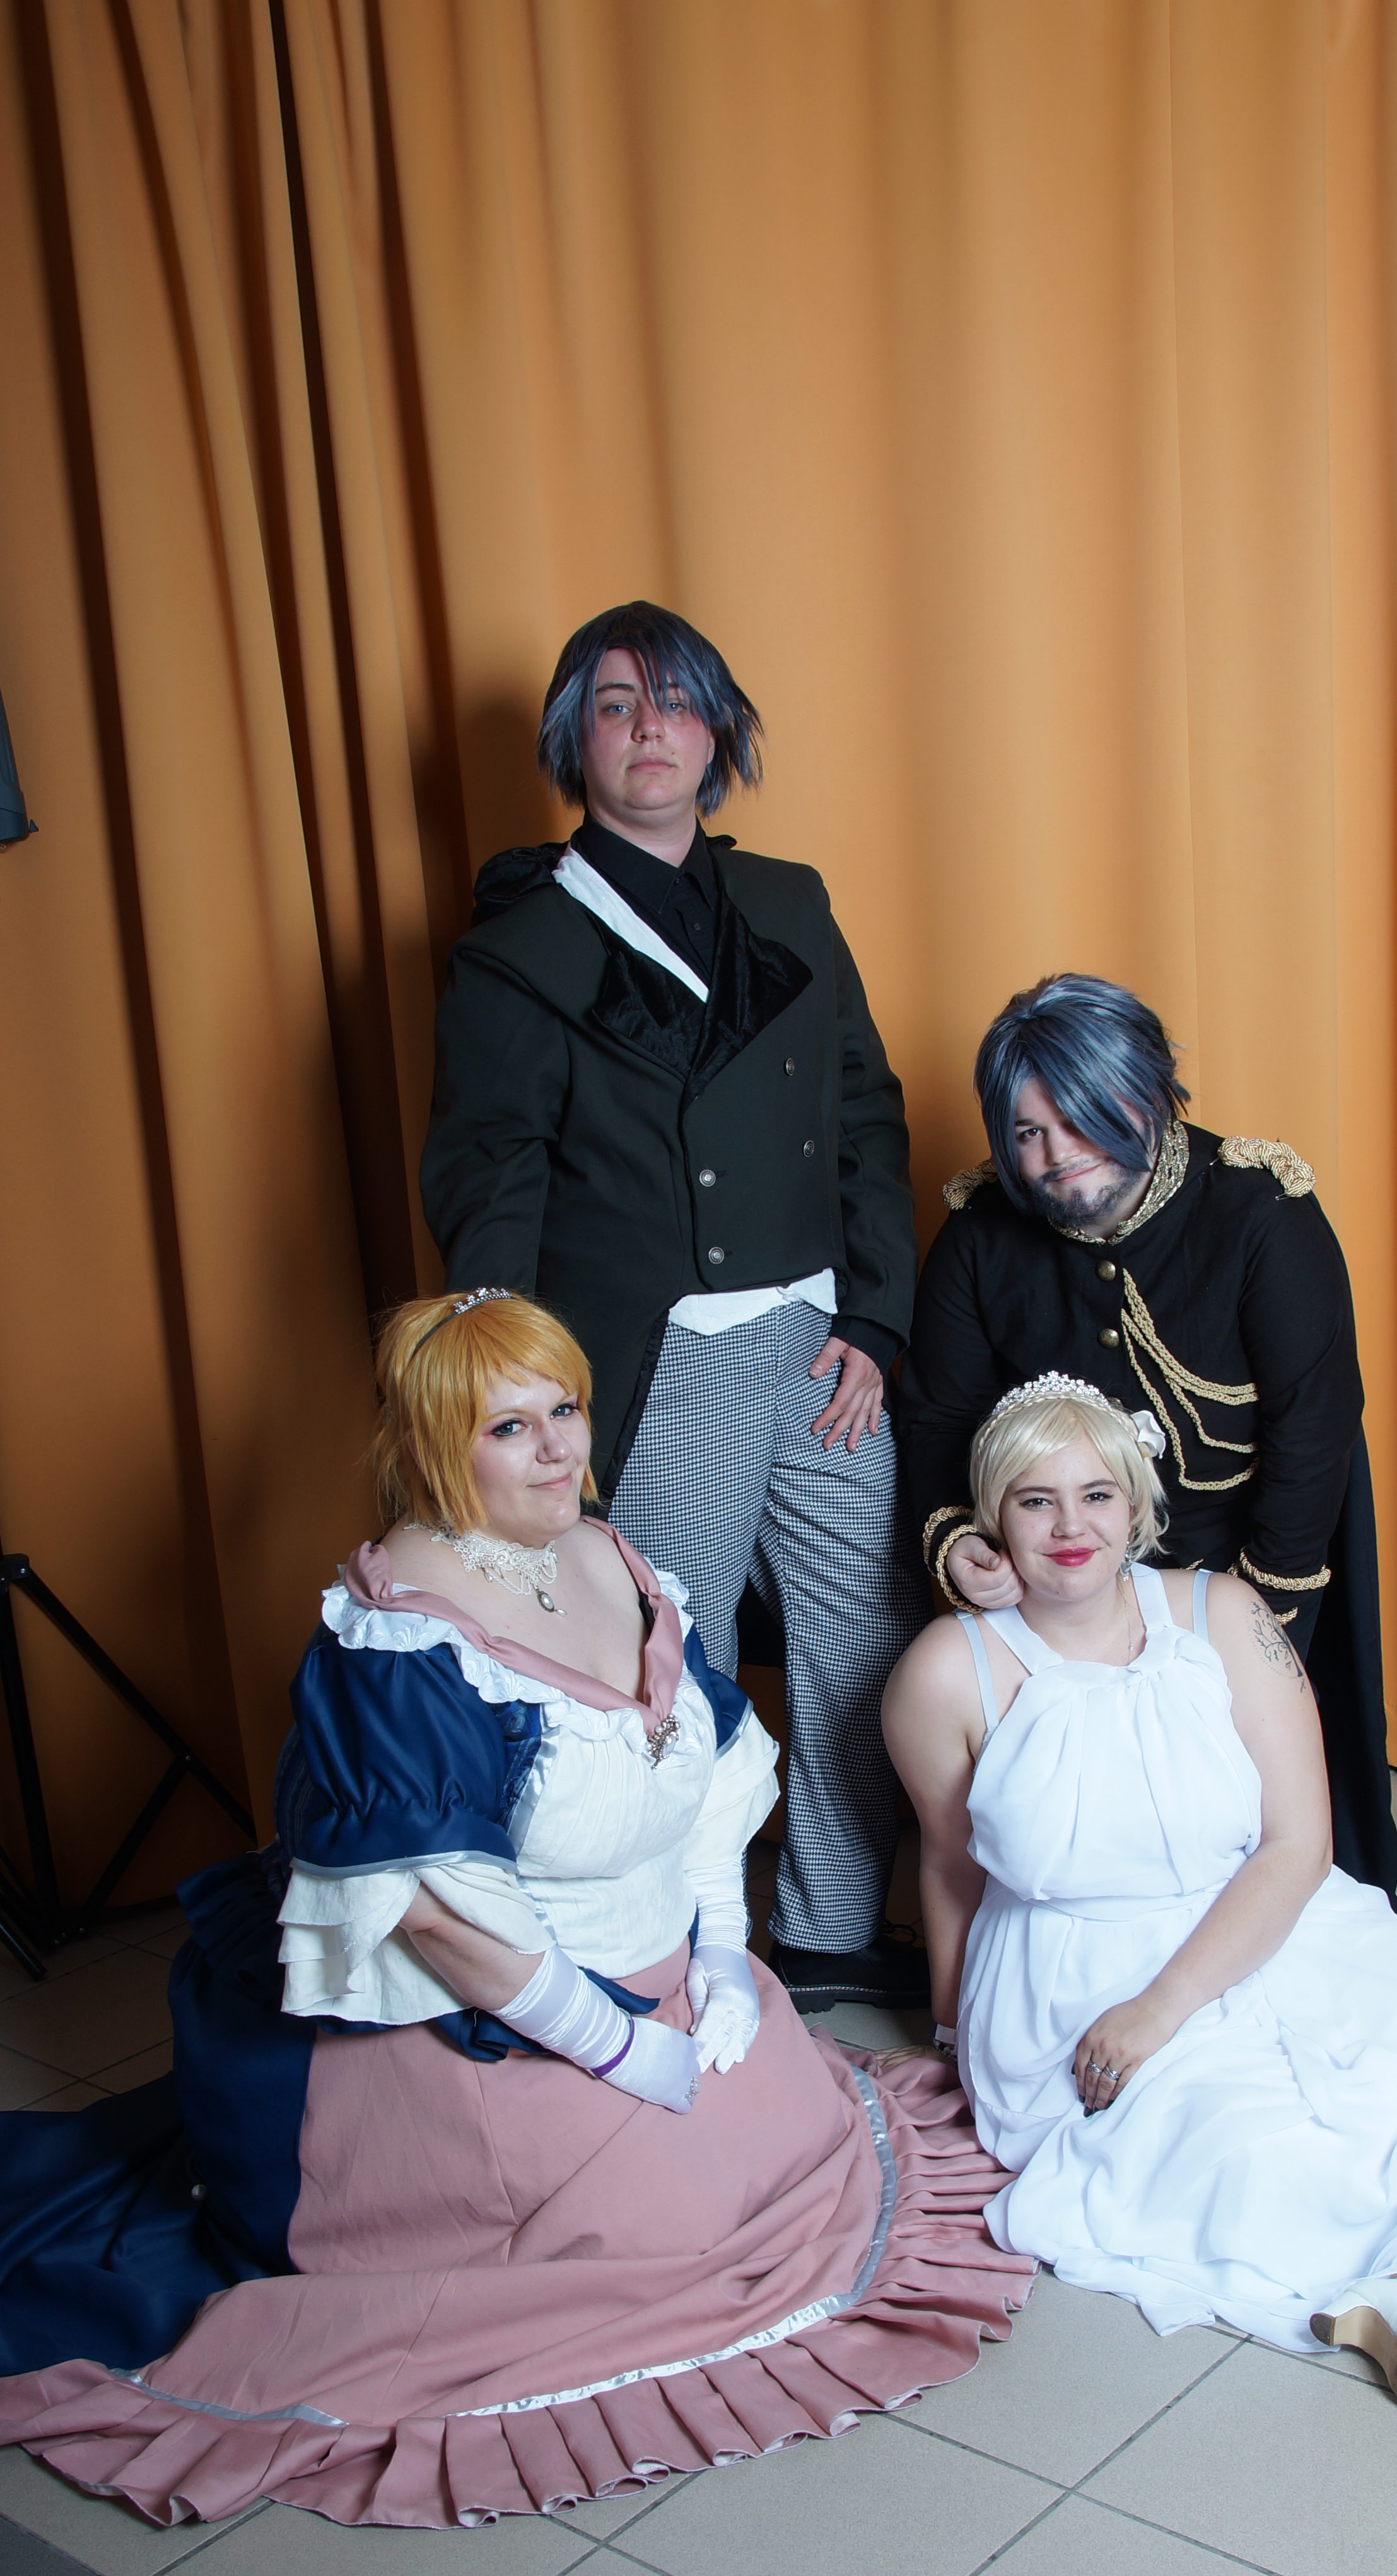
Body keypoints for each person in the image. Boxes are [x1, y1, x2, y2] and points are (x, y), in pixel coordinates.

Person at [0, 1294, 1023, 2528]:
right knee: (664, 2228)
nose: (558, 1449)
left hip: (661, 1971)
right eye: (510, 1428)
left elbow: (705, 1779)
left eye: (565, 1409)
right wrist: (613, 2043)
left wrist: (723, 1956)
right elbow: (435, 1918)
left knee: (792, 2137)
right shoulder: (399, 1636)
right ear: (434, 1443)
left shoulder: (612, 1553)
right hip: (494, 2021)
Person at [880, 1376, 1397, 2415]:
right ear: (993, 1519)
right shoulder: (946, 1672)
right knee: (1264, 2144)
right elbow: (950, 1866)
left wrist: (1168, 2005)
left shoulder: (1225, 1614)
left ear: (1136, 1503)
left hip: (1265, 1919)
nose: (1071, 1528)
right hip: (1076, 1978)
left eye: (1097, 1495)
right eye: (1036, 1501)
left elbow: (1298, 1844)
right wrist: (950, 2033)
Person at [420, 601, 928, 2011]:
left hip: (823, 1347)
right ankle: (664, 1953)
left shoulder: (792, 903)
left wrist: (879, 1319)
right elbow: (492, 1173)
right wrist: (513, 1394)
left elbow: (865, 1113)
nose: (651, 727)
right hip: (664, 1358)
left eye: (680, 702)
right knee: (655, 1662)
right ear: (574, 742)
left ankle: (826, 1930)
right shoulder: (520, 945)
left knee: (862, 1637)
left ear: (719, 737)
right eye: (617, 704)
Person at [892, 973, 1397, 1902]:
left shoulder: (1261, 1210)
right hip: (1067, 1575)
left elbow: (1313, 1432)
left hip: (1253, 1554)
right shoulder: (977, 1235)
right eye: (1028, 1133)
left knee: (1283, 1830)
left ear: (1152, 1094)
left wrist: (1256, 1626)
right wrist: (956, 1536)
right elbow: (937, 1418)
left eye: (1082, 1119)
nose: (1057, 1157)